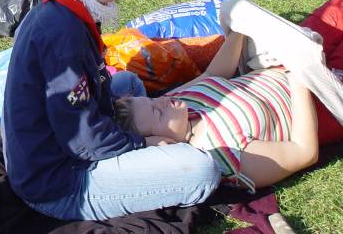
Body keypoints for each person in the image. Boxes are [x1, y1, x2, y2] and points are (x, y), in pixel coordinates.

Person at [1, 0, 220, 222]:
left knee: (127, 82)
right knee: (202, 171)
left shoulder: (66, 6)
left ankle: (151, 140)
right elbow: (83, 139)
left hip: (49, 142)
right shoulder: (63, 33)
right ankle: (156, 149)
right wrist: (142, 144)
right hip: (60, 182)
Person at [115, 28, 319, 192]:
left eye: (151, 100)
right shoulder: (225, 155)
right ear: (161, 144)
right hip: (316, 98)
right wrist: (299, 78)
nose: (162, 100)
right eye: (157, 113)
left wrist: (239, 29)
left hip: (280, 65)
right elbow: (304, 152)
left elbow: (214, 73)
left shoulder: (176, 106)